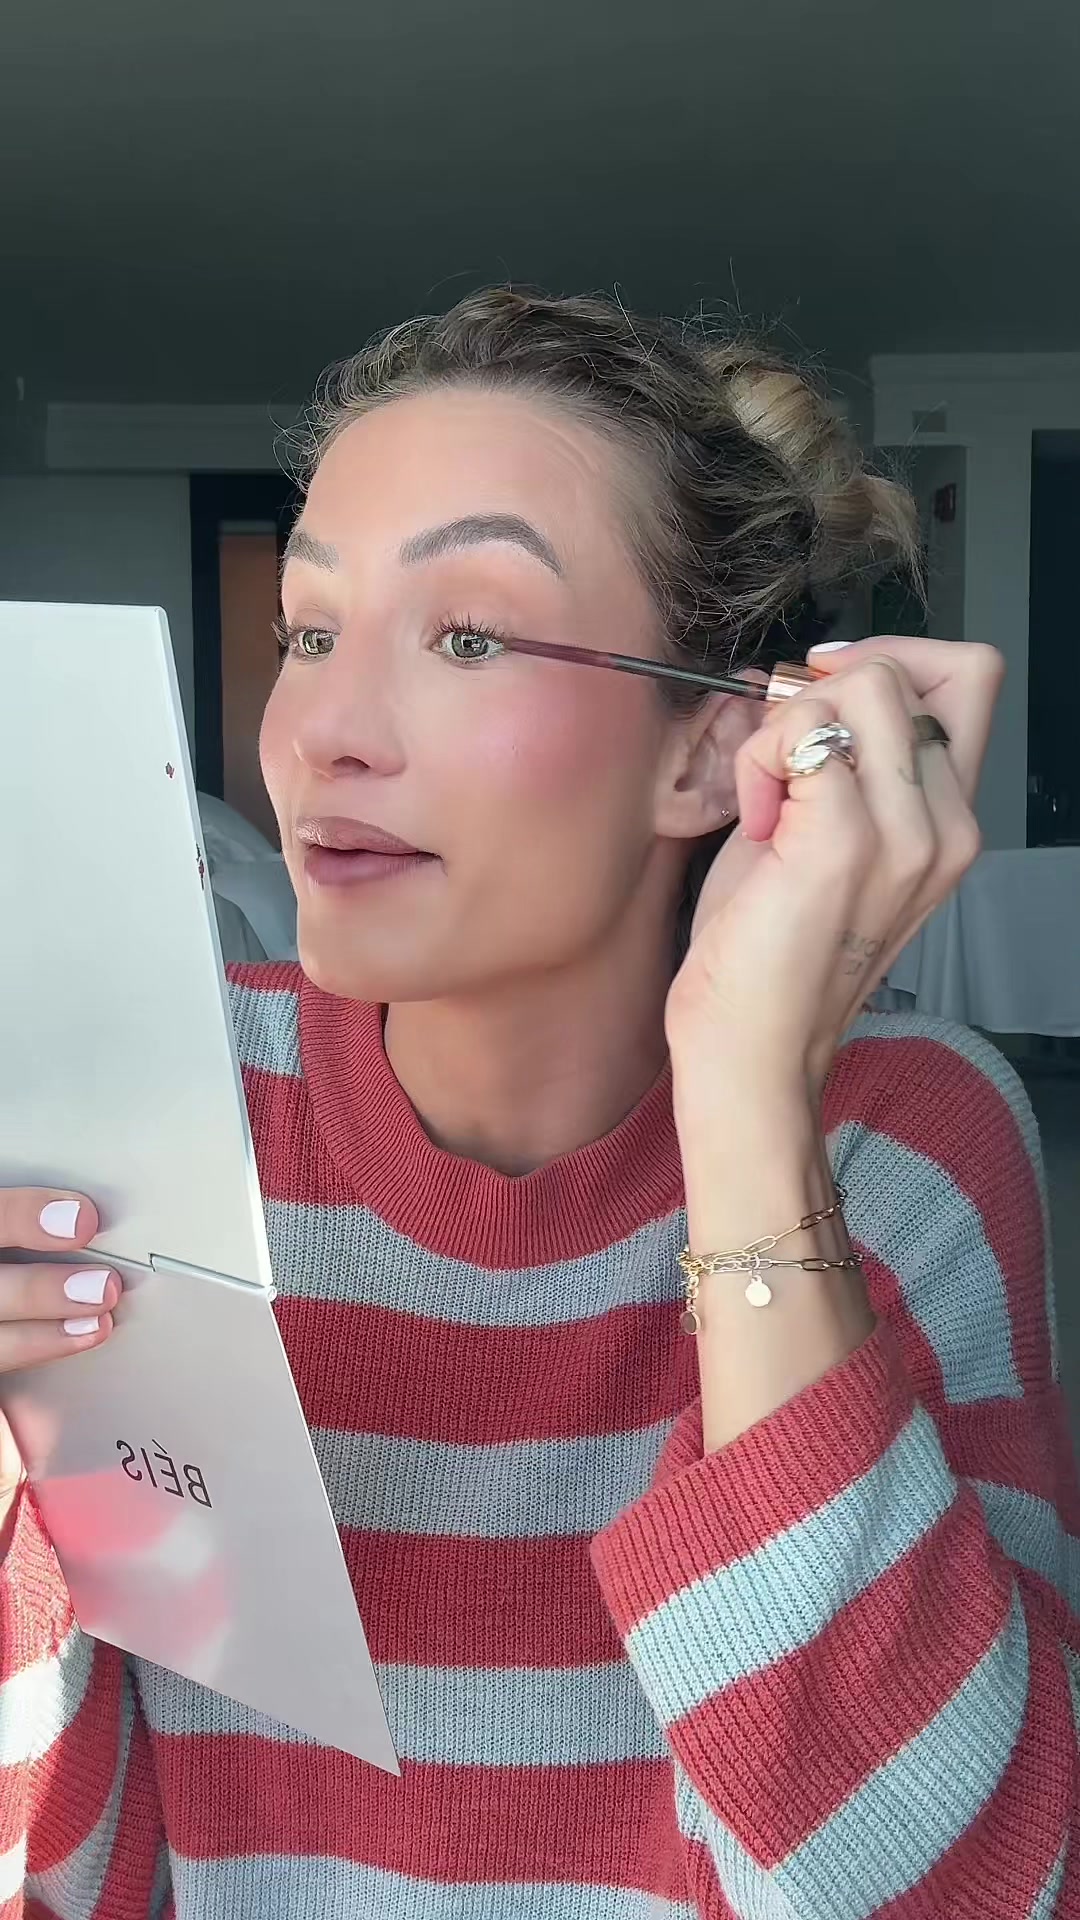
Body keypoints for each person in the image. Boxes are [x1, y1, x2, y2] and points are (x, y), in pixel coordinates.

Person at [0, 288, 1076, 1919]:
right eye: (310, 631)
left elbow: (976, 1886)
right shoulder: (167, 1109)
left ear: (709, 751)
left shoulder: (911, 1140)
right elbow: (80, 1873)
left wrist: (748, 1105)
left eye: (470, 637)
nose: (318, 736)